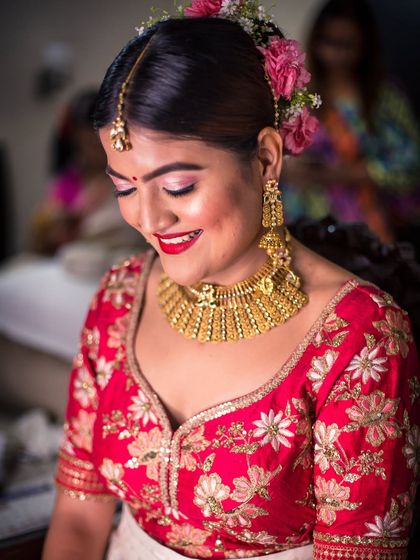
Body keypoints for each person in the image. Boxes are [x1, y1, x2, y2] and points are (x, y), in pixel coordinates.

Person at [42, 2, 419, 559]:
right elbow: (77, 518)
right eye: (124, 188)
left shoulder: (360, 339)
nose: (147, 220)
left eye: (176, 188)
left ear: (266, 159)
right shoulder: (120, 297)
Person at [281, 0, 420, 246]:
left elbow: (409, 164)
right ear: (316, 41)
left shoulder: (383, 97)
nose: (337, 54)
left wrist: (346, 174)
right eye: (329, 42)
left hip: (367, 231)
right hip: (303, 229)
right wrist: (290, 168)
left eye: (348, 45)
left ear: (365, 46)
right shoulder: (296, 92)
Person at [32, 90, 135, 255]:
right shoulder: (69, 182)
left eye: (99, 142)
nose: (94, 151)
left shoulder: (128, 174)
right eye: (86, 143)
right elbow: (43, 239)